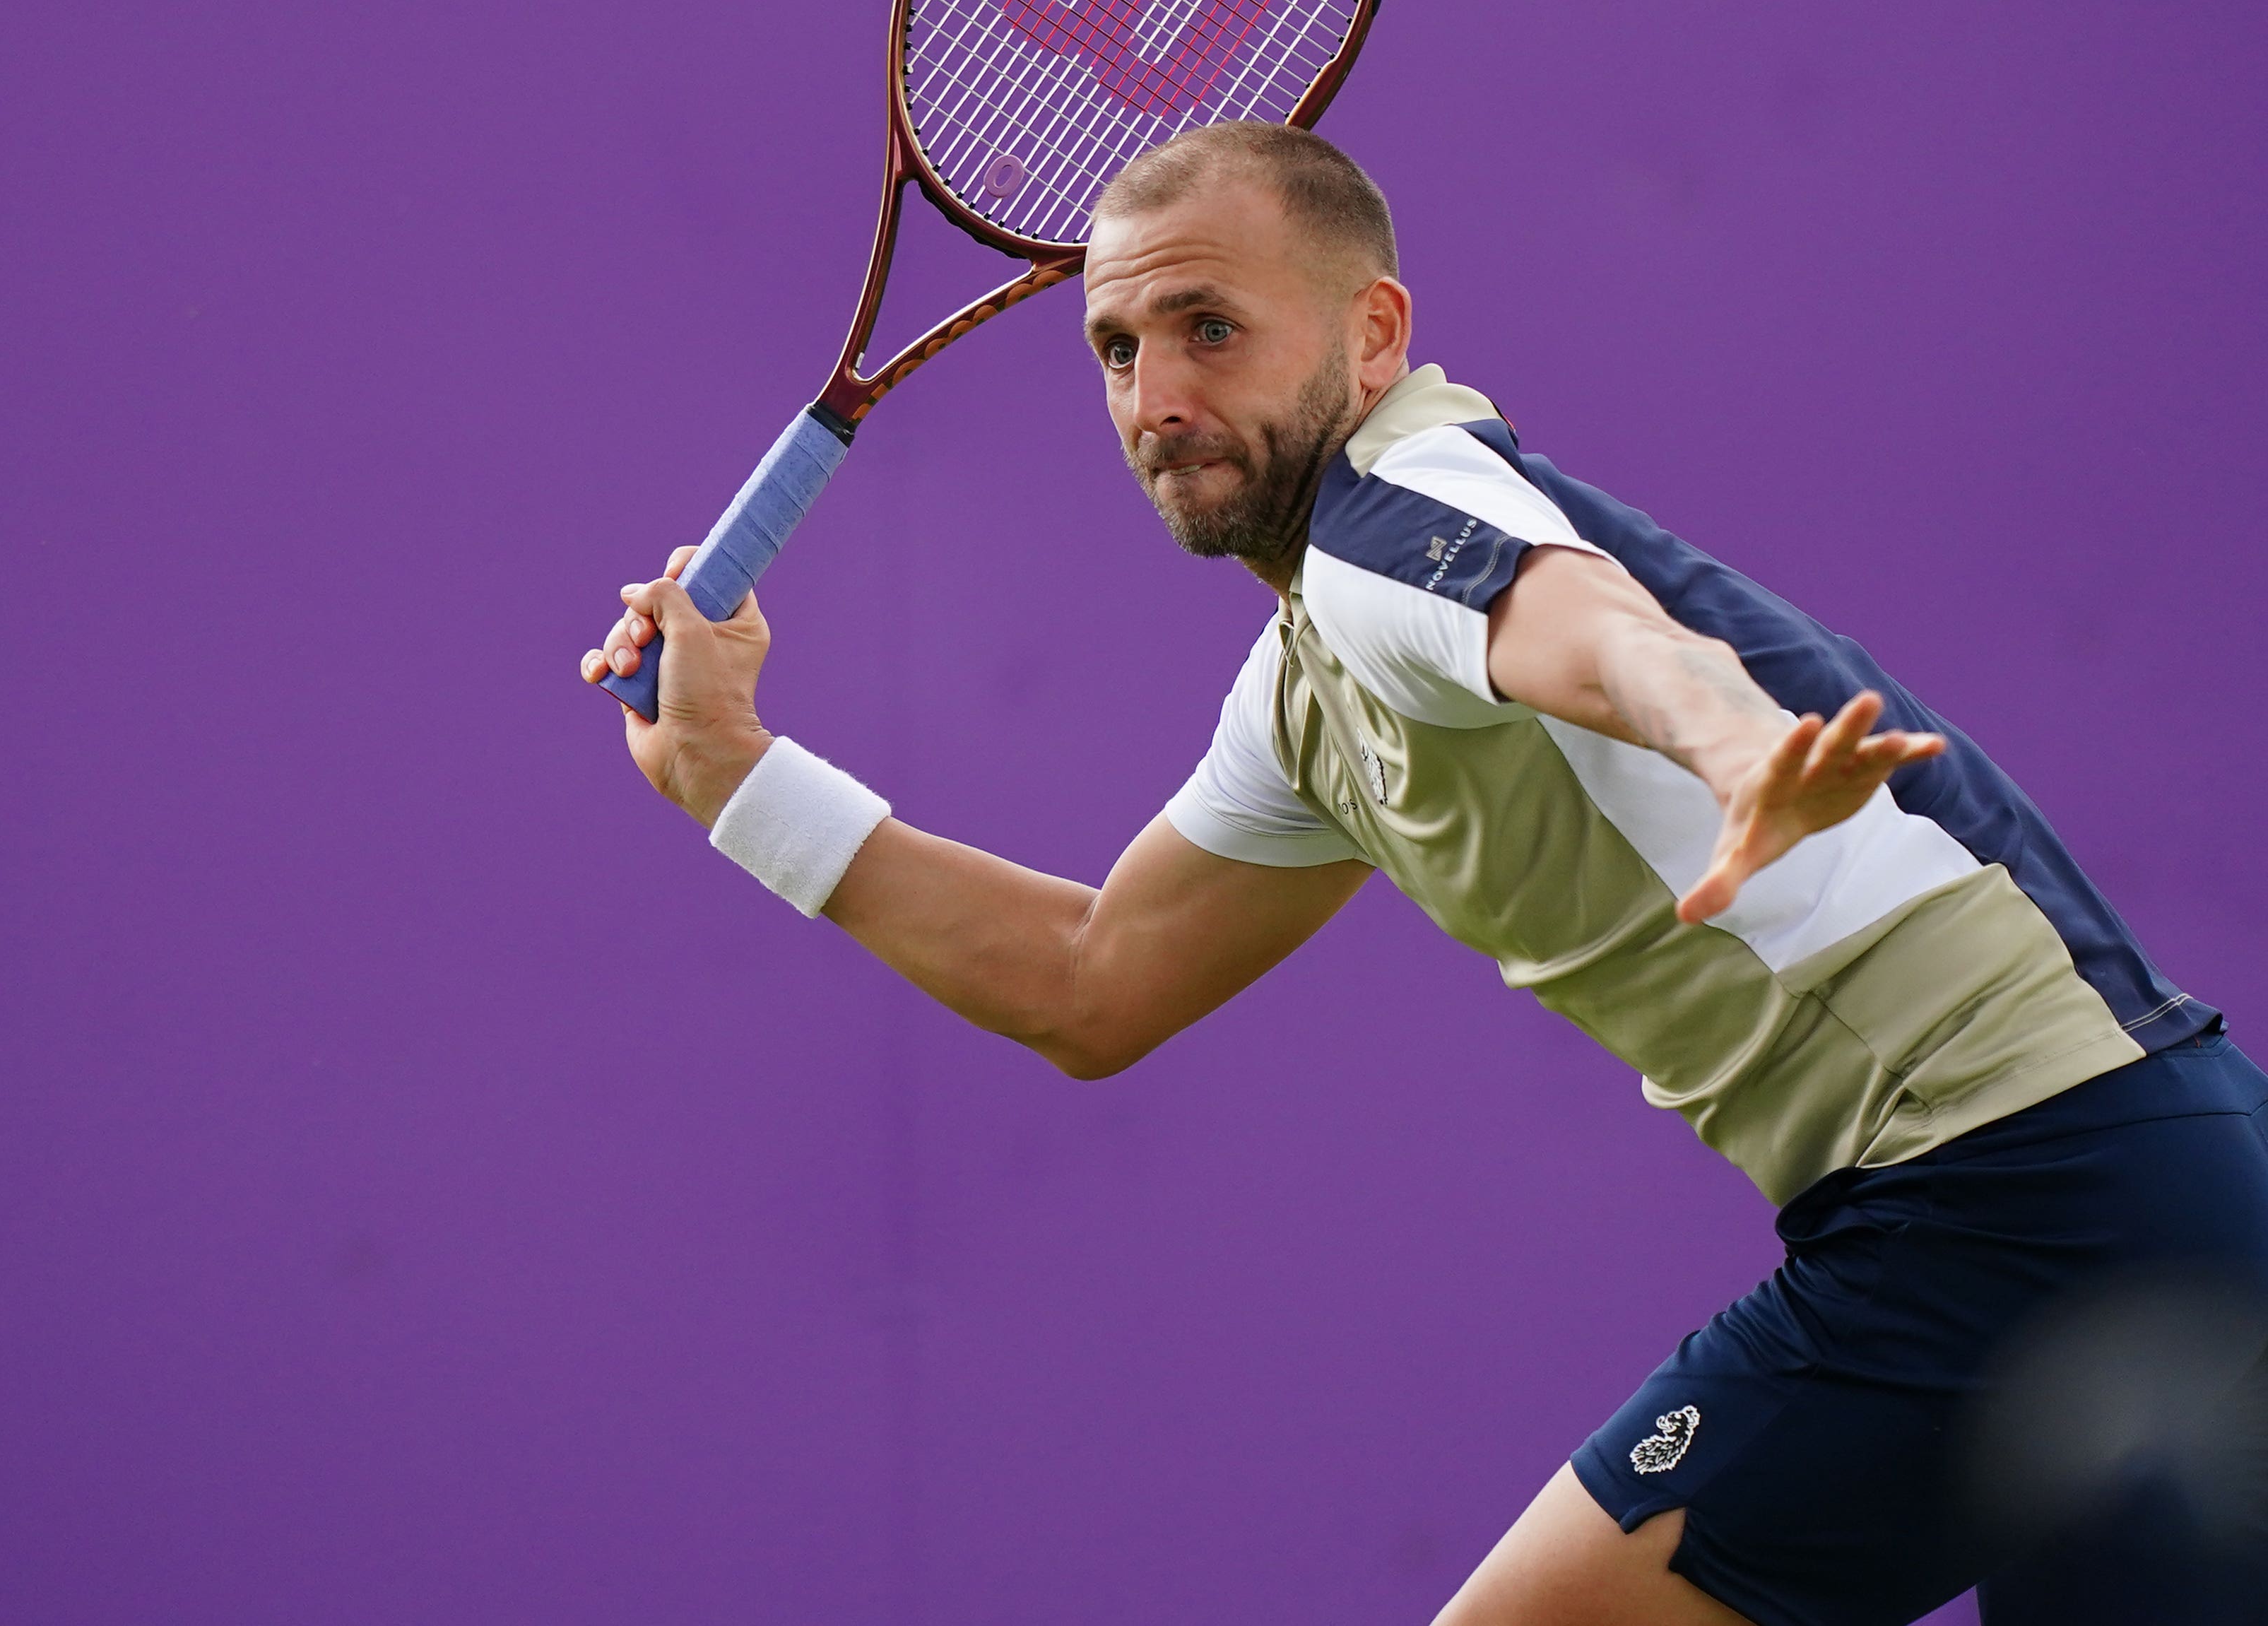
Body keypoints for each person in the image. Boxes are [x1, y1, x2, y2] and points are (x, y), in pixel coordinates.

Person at [580, 122, 2268, 1626]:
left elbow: (1596, 630)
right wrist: (737, 777)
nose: (1156, 398)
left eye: (1209, 328)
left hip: (2014, 1195)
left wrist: (1734, 745)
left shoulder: (1399, 520)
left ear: (1372, 332)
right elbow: (1090, 980)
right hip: (2160, 1188)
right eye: (1114, 347)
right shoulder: (1311, 678)